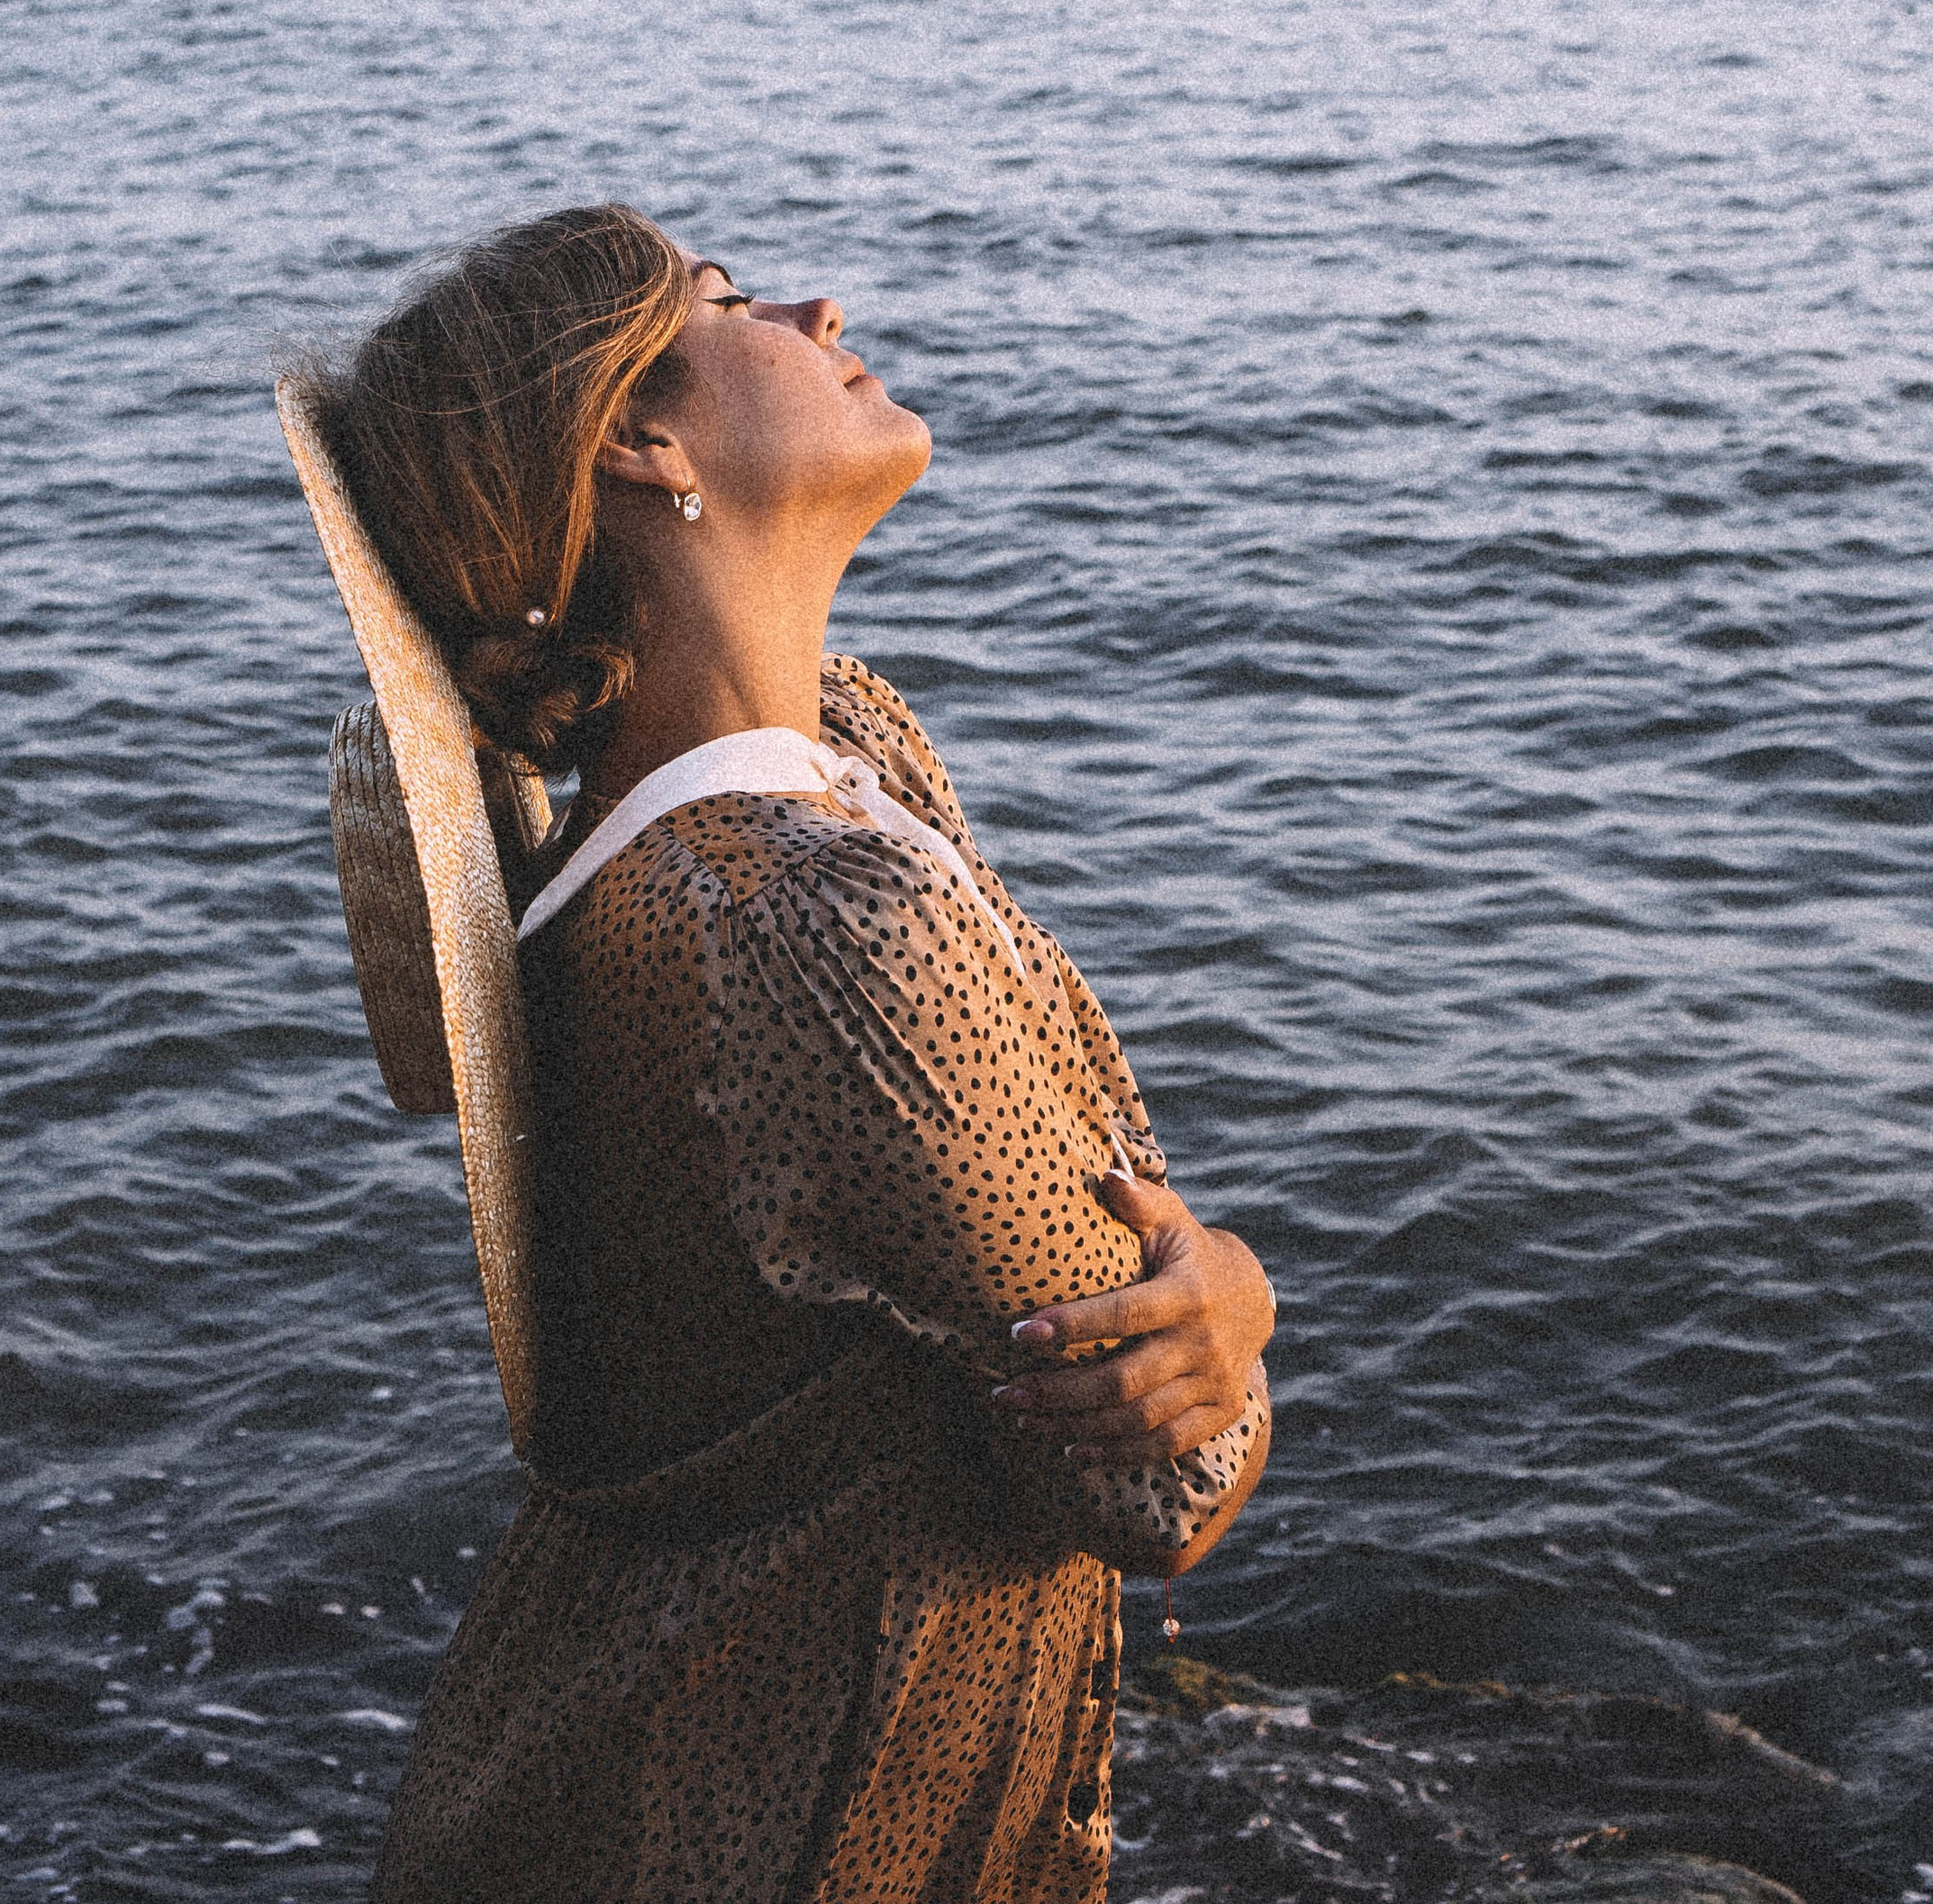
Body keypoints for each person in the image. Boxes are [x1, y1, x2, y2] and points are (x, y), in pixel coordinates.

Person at [311, 204, 1272, 1904]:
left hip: (622, 1746)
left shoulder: (837, 749)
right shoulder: (805, 929)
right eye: (733, 298)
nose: (824, 301)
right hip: (782, 1819)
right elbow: (1168, 1480)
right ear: (637, 441)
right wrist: (1241, 1294)